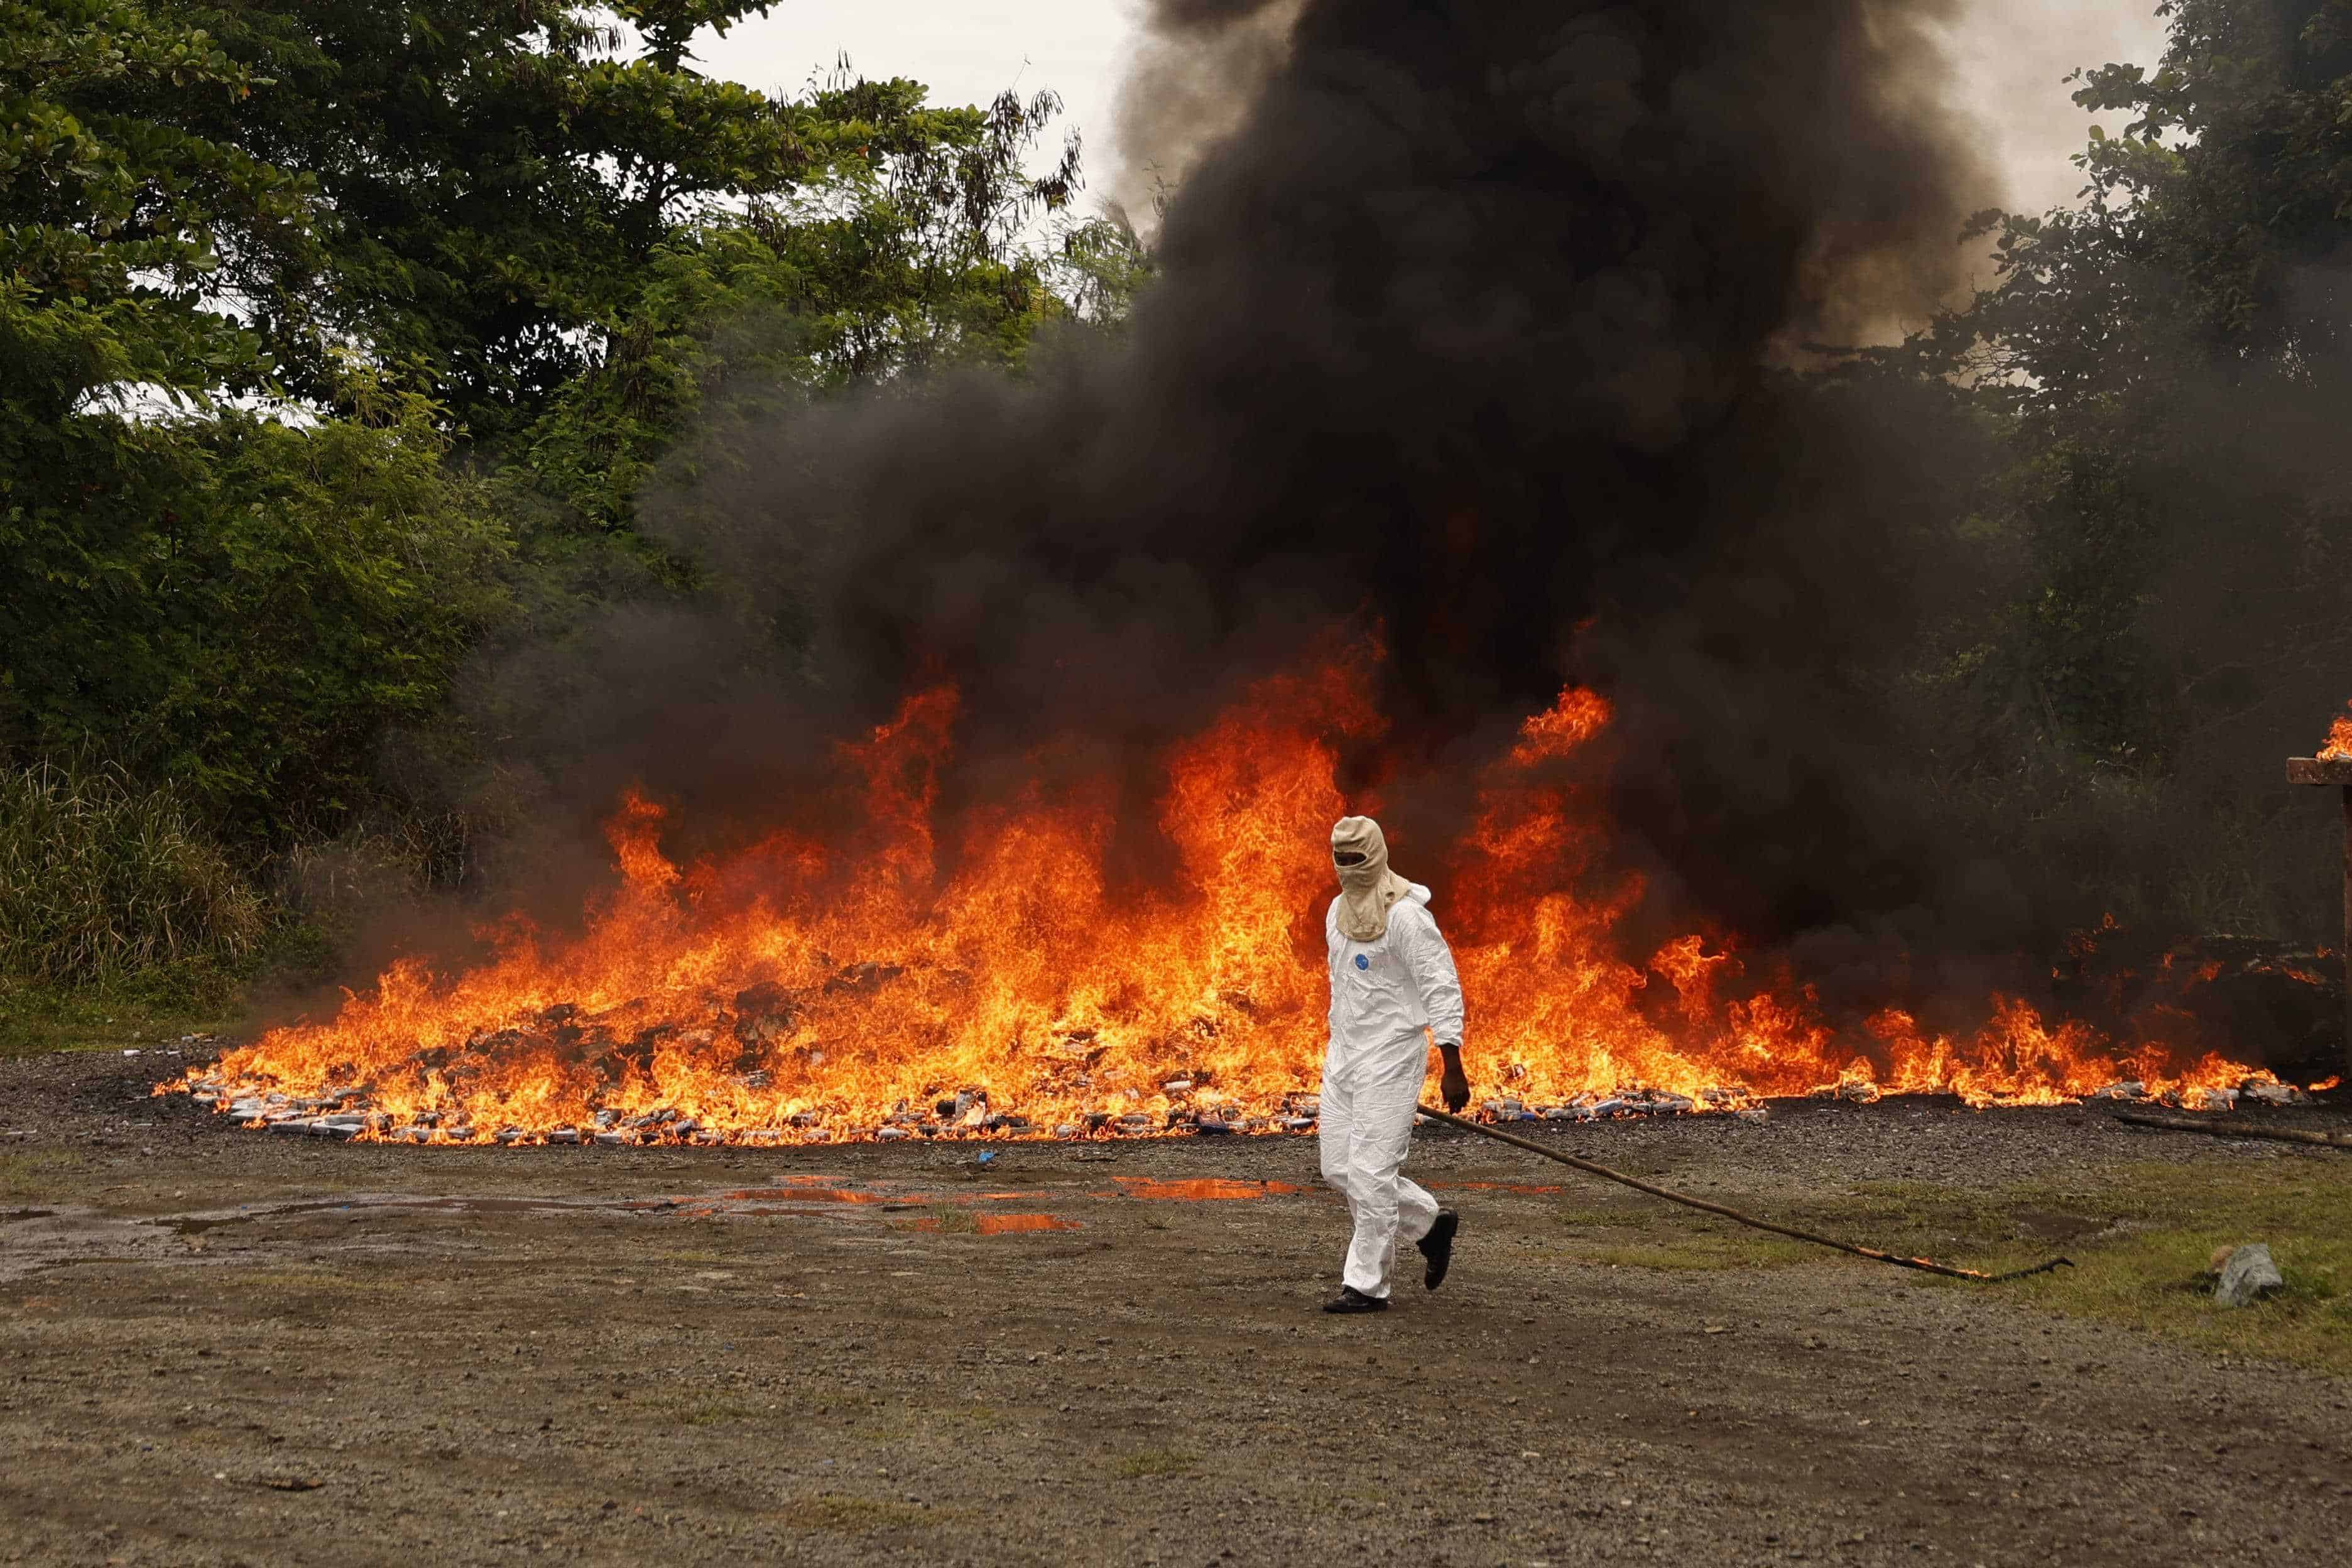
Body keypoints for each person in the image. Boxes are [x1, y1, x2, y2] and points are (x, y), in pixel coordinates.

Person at [1318, 814, 1469, 1314]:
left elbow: (1440, 983)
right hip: (1345, 1058)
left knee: (1371, 1172)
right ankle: (1429, 1226)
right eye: (1341, 859)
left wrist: (1452, 1061)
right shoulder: (1337, 914)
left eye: (1356, 858)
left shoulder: (1406, 917)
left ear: (1378, 856)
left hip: (1393, 1056)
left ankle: (1366, 1285)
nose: (1348, 868)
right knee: (1338, 1167)